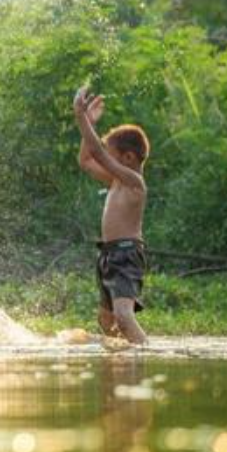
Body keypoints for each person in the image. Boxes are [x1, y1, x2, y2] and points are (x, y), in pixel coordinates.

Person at [74, 85, 149, 346]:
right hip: (109, 253)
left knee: (124, 317)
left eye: (112, 156)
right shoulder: (117, 179)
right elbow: (86, 159)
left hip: (126, 254)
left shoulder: (133, 182)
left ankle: (145, 355)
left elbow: (96, 153)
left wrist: (81, 117)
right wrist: (90, 123)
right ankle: (120, 366)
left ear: (127, 158)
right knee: (108, 322)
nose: (107, 160)